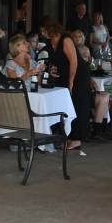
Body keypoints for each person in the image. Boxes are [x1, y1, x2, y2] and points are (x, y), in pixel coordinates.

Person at [40, 16, 91, 151]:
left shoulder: (66, 39)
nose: (43, 33)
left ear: (51, 28)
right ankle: (67, 136)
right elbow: (55, 61)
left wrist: (71, 82)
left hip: (78, 76)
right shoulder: (49, 41)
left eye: (44, 30)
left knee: (77, 104)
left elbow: (74, 62)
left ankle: (76, 139)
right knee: (65, 106)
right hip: (63, 75)